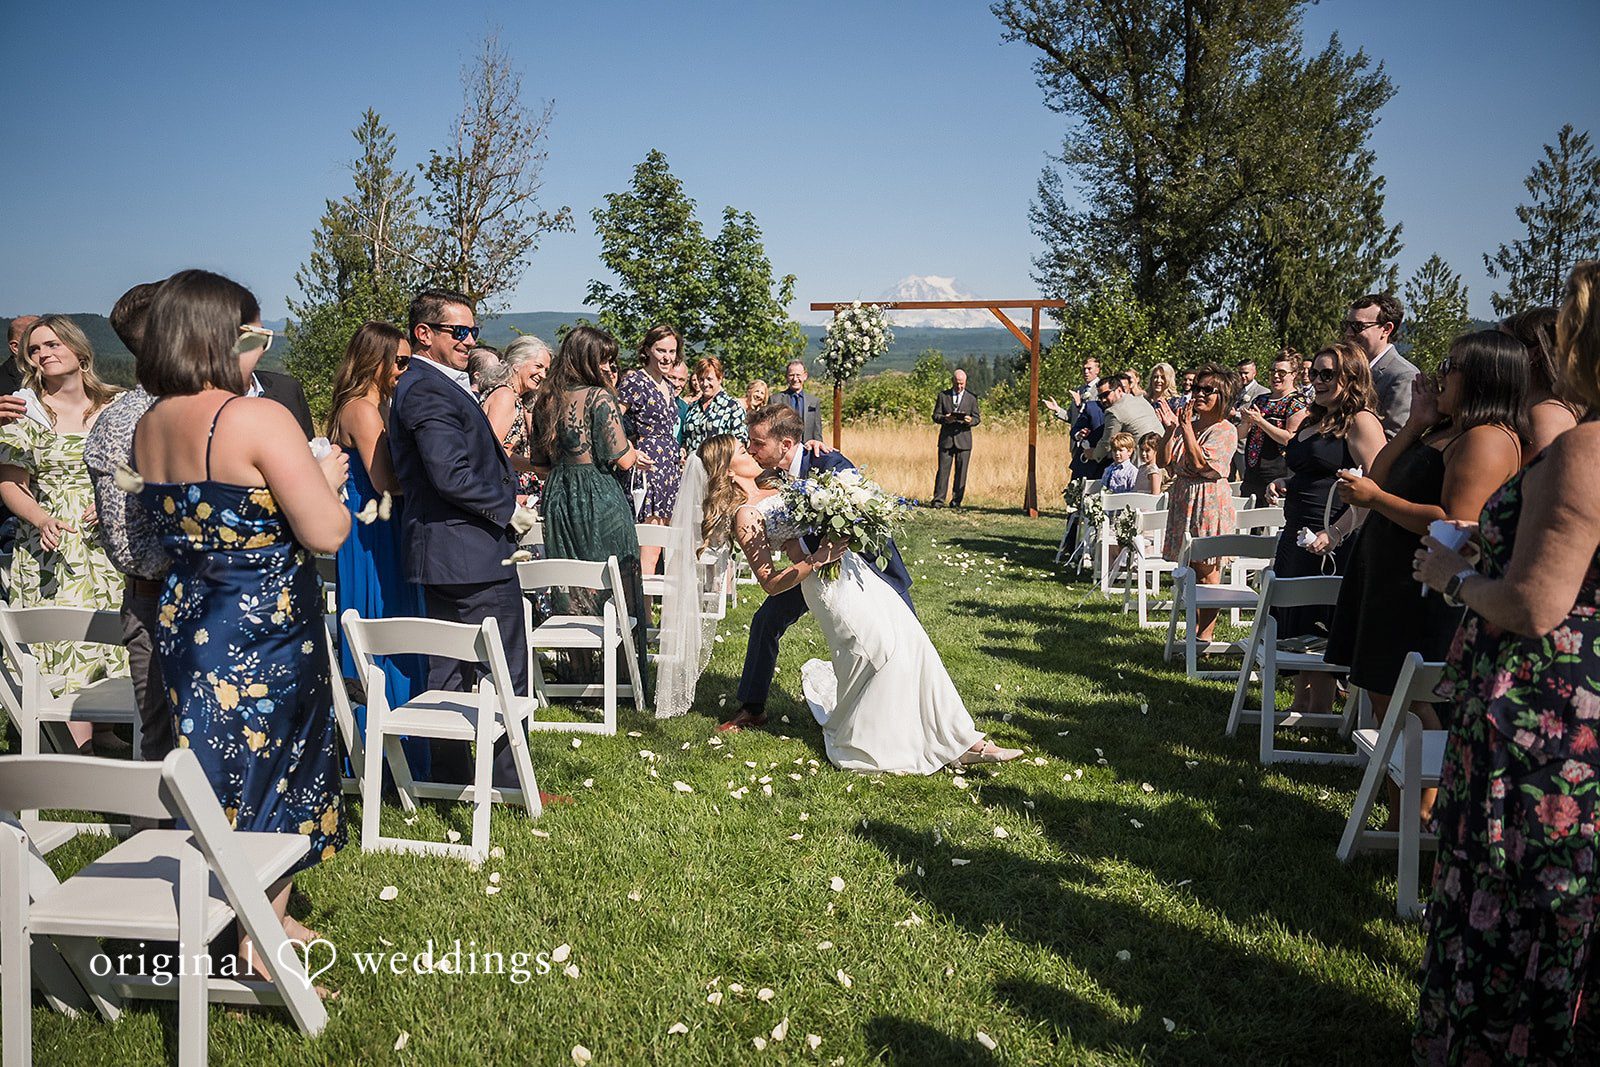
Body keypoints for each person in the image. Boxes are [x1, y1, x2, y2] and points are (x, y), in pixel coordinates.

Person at [130, 268, 350, 973]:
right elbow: (326, 532)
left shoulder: (148, 424)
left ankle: (257, 915)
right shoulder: (257, 417)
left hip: (190, 615)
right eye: (253, 330)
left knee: (220, 771)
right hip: (265, 623)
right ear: (221, 336)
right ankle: (257, 939)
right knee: (275, 768)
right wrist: (328, 484)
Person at [1409, 260, 1600, 1064]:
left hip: (1544, 715)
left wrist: (1454, 576)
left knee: (1517, 886)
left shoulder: (1585, 448)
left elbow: (1534, 604)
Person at [677, 434, 1020, 771]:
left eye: (752, 445)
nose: (751, 451)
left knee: (914, 643)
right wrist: (818, 559)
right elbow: (769, 582)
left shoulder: (777, 481)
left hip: (856, 572)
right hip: (824, 583)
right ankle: (873, 738)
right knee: (877, 650)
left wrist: (812, 446)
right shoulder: (746, 515)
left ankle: (964, 739)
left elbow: (805, 468)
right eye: (742, 450)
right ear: (727, 469)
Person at [1326, 329, 1527, 825]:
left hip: (1422, 594)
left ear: (1482, 377)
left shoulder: (1486, 439)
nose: (1438, 375)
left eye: (1450, 366)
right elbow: (1379, 475)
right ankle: (1403, 826)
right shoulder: (1445, 429)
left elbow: (1456, 523)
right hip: (1391, 583)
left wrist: (1377, 502)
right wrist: (1416, 422)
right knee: (1387, 698)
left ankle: (1422, 822)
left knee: (1411, 704)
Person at [387, 288, 528, 789]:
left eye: (474, 331)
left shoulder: (430, 383)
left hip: (447, 551)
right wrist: (508, 509)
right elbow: (450, 474)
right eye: (459, 331)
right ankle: (509, 783)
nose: (470, 340)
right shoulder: (426, 389)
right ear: (424, 334)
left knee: (448, 671)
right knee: (504, 669)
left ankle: (450, 780)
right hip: (470, 552)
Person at [722, 403, 914, 732]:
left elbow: (859, 522)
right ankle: (752, 708)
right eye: (749, 443)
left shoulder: (828, 464)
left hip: (862, 567)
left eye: (758, 443)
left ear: (785, 444)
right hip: (809, 569)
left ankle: (908, 707)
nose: (751, 449)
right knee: (766, 621)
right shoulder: (773, 473)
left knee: (907, 635)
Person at [1, 315, 129, 753]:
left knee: (110, 629)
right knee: (68, 633)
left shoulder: (117, 405)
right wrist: (40, 519)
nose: (44, 354)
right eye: (34, 349)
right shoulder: (26, 411)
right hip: (54, 543)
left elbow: (138, 471)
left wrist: (115, 498)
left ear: (78, 349)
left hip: (107, 541)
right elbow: (10, 483)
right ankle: (76, 748)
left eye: (53, 344)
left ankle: (106, 729)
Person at [326, 321, 430, 776]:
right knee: (385, 625)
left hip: (376, 526)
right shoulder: (364, 412)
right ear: (376, 361)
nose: (406, 370)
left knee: (393, 625)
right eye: (401, 362)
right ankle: (387, 757)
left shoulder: (369, 406)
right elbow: (385, 480)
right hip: (376, 532)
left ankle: (399, 750)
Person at [1266, 343, 1385, 716]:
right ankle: (1301, 703)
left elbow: (1376, 488)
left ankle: (1318, 711)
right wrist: (1287, 482)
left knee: (1320, 626)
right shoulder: (1314, 419)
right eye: (1314, 373)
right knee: (1298, 622)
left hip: (1332, 541)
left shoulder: (1361, 421)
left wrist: (1336, 531)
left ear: (1352, 377)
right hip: (1296, 535)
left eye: (1327, 374)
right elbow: (1314, 471)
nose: (1317, 380)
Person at [532, 325, 653, 691]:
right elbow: (622, 458)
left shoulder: (546, 399)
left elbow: (540, 464)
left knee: (572, 585)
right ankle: (624, 674)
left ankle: (580, 673)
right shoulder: (600, 397)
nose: (608, 367)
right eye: (604, 359)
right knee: (617, 580)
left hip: (559, 498)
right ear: (587, 360)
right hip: (600, 497)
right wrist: (635, 452)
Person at [84, 282, 175, 768]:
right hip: (161, 600)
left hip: (206, 595)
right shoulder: (128, 422)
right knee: (165, 745)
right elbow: (128, 545)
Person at [1154, 363, 1239, 644]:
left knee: (1207, 569)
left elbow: (1201, 464)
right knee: (1189, 568)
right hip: (1183, 497)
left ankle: (1205, 634)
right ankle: (1192, 629)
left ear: (1223, 396)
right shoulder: (1187, 423)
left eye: (1207, 390)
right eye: (1197, 388)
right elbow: (1163, 461)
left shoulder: (1225, 430)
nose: (1199, 394)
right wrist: (1170, 430)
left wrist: (1186, 428)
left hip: (1208, 500)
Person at [618, 325, 685, 579]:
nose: (667, 357)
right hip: (648, 468)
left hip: (670, 469)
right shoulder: (635, 380)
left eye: (672, 351)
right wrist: (630, 451)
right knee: (648, 548)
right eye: (661, 350)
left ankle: (652, 601)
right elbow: (611, 422)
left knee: (663, 549)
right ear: (647, 350)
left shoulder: (668, 385)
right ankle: (641, 604)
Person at [1501, 305, 1582, 455]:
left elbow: (1538, 468)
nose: (1498, 352)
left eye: (1507, 345)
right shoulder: (1535, 405)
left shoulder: (1545, 415)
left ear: (1535, 354)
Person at [482, 335, 551, 499]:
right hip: (503, 492)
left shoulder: (517, 398)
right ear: (516, 364)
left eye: (546, 370)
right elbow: (492, 451)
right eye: (538, 366)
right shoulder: (505, 396)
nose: (543, 375)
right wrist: (536, 467)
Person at [1238, 352, 1310, 505]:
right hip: (1252, 475)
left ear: (1293, 374)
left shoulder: (1297, 402)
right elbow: (1241, 435)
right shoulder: (1261, 399)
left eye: (1282, 372)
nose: (1276, 376)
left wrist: (1260, 421)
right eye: (1273, 372)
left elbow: (1289, 439)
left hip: (1278, 477)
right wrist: (1245, 422)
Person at [1344, 293, 1418, 436]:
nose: (1348, 333)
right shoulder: (1348, 369)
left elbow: (1394, 439)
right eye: (1346, 325)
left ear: (1386, 329)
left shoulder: (1403, 377)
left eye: (1357, 326)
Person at [930, 368, 980, 508]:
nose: (959, 386)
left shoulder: (971, 398)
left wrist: (970, 421)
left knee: (961, 473)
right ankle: (938, 501)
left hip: (964, 441)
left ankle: (956, 502)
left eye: (962, 383)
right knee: (943, 471)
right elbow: (935, 416)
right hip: (946, 440)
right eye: (957, 383)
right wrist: (945, 419)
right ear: (952, 381)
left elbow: (977, 418)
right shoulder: (943, 396)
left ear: (966, 382)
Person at [1090, 372, 1163, 463]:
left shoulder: (1113, 412)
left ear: (1119, 390)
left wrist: (1093, 454)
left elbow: (1107, 443)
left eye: (1106, 395)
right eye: (1100, 397)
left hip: (1142, 458)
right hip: (1162, 450)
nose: (1103, 400)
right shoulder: (1140, 400)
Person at [682, 355, 748, 453]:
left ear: (719, 379)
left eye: (709, 379)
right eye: (701, 379)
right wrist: (683, 450)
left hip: (720, 461)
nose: (705, 384)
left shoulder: (732, 407)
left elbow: (741, 442)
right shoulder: (692, 407)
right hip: (693, 461)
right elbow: (685, 437)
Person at [775, 359, 825, 444]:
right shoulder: (776, 400)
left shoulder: (814, 401)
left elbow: (817, 432)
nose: (795, 379)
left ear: (805, 376)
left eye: (798, 375)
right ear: (786, 377)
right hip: (783, 448)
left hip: (807, 448)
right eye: (791, 375)